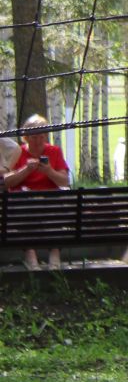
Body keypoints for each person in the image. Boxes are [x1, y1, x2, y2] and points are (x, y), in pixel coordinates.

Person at [6, 115, 72, 269]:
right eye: (34, 137)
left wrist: (49, 171)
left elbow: (64, 181)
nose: (39, 141)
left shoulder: (54, 151)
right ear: (26, 138)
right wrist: (26, 171)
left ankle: (54, 255)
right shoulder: (18, 152)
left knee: (53, 208)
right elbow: (6, 182)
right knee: (24, 207)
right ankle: (31, 254)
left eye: (42, 136)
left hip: (49, 201)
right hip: (24, 201)